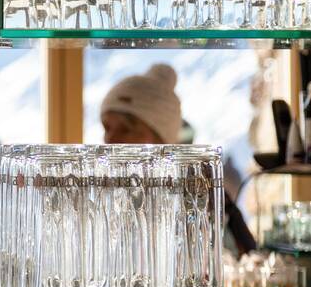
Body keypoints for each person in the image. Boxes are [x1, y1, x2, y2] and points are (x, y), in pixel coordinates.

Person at [101, 63, 256, 255]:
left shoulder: (199, 198)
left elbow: (236, 263)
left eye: (126, 129)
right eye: (107, 127)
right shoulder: (102, 197)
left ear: (162, 139)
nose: (110, 140)